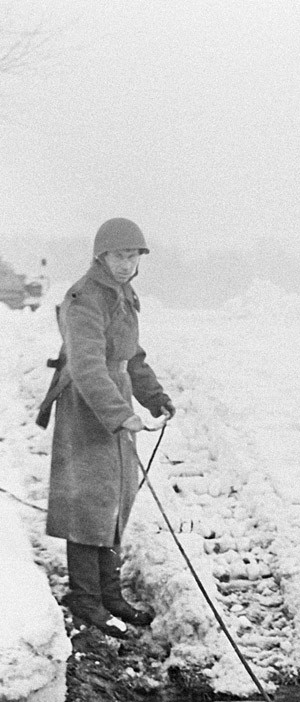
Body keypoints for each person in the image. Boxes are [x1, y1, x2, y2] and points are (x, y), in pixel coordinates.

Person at [39, 218, 175, 638]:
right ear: (101, 255)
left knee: (116, 496)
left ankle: (110, 594)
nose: (126, 263)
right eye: (119, 255)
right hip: (86, 404)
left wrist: (155, 397)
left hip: (113, 397)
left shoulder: (124, 295)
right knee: (88, 500)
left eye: (133, 256)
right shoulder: (84, 298)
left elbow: (132, 358)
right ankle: (84, 599)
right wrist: (119, 414)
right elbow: (86, 365)